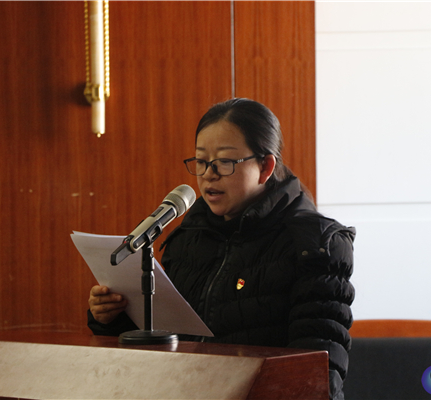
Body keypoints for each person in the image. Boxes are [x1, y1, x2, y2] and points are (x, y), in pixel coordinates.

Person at [88, 98, 355, 400]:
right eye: (201, 161)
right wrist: (113, 316)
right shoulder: (188, 236)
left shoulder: (315, 244)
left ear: (265, 167)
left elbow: (317, 371)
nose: (208, 174)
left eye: (225, 162)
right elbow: (165, 341)